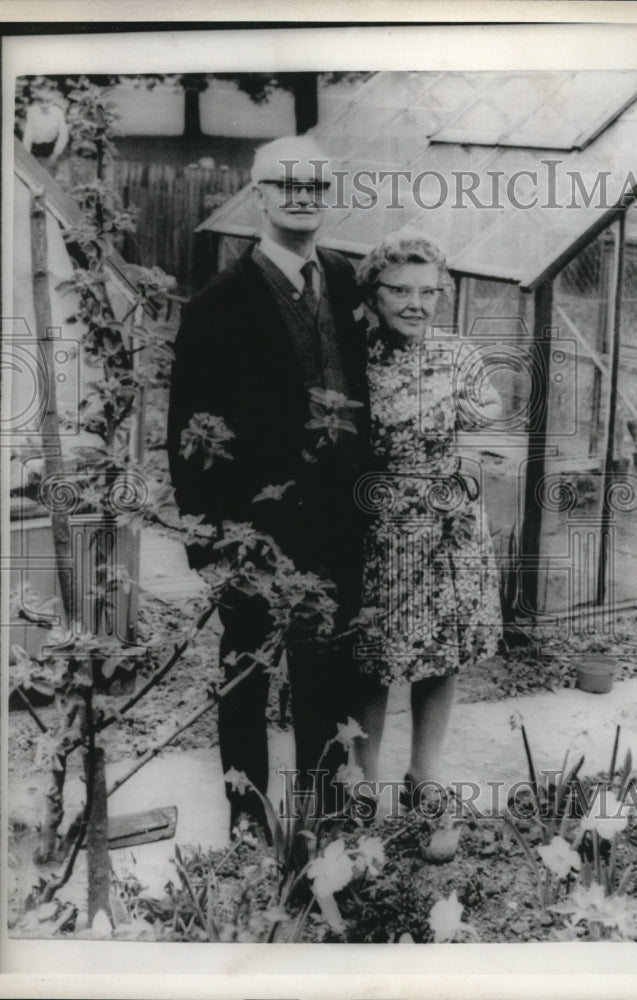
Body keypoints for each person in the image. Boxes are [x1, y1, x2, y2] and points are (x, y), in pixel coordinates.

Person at [167, 136, 370, 834]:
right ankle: (248, 819)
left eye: (315, 184)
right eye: (287, 184)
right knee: (248, 672)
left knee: (327, 672)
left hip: (337, 527)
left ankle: (327, 821)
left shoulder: (345, 280)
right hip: (253, 532)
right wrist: (215, 549)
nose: (302, 196)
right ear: (259, 194)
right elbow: (188, 435)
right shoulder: (216, 307)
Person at [352, 232, 503, 808]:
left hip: (450, 527)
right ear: (374, 293)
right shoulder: (354, 354)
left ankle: (424, 773)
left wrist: (461, 436)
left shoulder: (456, 352)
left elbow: (490, 406)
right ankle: (364, 780)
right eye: (400, 291)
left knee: (441, 654)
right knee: (373, 657)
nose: (416, 303)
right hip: (381, 526)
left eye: (429, 291)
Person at [22, 88, 69, 171]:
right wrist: (26, 154)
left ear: (52, 101)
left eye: (48, 101)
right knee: (32, 171)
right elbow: (28, 134)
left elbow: (63, 134)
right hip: (34, 147)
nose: (44, 105)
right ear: (36, 102)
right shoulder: (33, 111)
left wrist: (55, 154)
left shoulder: (58, 112)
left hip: (50, 147)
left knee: (49, 172)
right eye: (41, 101)